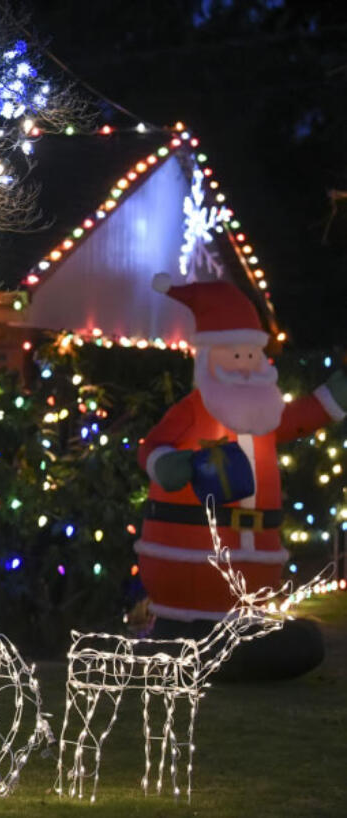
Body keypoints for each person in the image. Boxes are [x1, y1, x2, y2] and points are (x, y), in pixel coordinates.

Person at [139, 275, 346, 677]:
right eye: (237, 357)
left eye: (253, 356)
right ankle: (193, 643)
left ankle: (226, 648)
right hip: (190, 561)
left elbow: (300, 417)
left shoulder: (265, 415)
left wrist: (333, 397)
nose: (249, 366)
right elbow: (153, 444)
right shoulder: (193, 412)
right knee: (293, 645)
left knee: (293, 643)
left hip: (255, 562)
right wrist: (166, 463)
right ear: (208, 359)